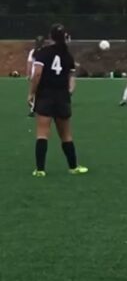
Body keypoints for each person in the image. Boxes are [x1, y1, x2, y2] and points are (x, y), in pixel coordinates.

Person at [27, 23, 88, 177]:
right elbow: (72, 79)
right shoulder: (68, 55)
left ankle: (40, 170)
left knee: (42, 133)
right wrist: (69, 92)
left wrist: (31, 93)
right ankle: (73, 167)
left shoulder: (43, 52)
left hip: (46, 95)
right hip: (62, 96)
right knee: (66, 134)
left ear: (50, 37)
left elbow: (37, 74)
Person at [26, 36, 45, 116]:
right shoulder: (45, 51)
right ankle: (36, 108)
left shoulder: (33, 52)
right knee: (41, 92)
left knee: (34, 92)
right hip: (43, 74)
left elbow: (29, 64)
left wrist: (28, 74)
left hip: (35, 74)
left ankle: (33, 108)